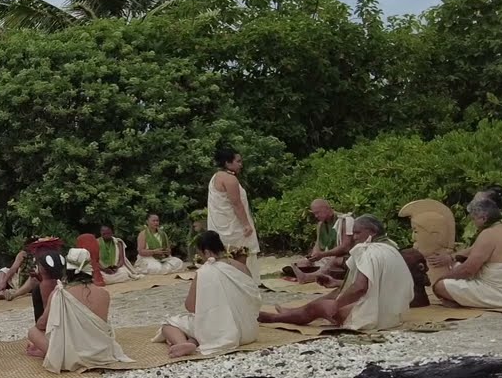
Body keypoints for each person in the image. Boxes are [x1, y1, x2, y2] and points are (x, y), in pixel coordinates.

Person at [259, 215, 414, 331]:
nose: (354, 237)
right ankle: (291, 313)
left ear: (371, 232)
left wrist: (337, 305)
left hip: (375, 317)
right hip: (393, 315)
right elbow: (378, 284)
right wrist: (338, 283)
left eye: (358, 233)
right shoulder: (391, 248)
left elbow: (360, 287)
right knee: (337, 291)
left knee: (320, 307)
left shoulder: (368, 250)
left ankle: (275, 318)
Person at [155, 231, 262, 357]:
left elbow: (190, 306)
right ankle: (192, 341)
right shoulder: (242, 267)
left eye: (201, 254)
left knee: (169, 323)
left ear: (207, 252)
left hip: (219, 333)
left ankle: (181, 342)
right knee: (202, 324)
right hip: (249, 331)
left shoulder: (204, 271)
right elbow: (255, 299)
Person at [27, 250, 133, 373]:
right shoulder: (104, 294)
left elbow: (42, 324)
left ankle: (51, 353)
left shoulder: (60, 293)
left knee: (33, 331)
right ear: (90, 268)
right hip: (102, 352)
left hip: (71, 356)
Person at [207, 147, 262, 282]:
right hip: (233, 225)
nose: (240, 164)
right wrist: (246, 225)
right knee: (240, 251)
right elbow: (236, 204)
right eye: (238, 161)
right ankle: (245, 280)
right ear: (227, 163)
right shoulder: (229, 179)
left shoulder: (216, 177)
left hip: (220, 224)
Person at [284, 200, 354, 282]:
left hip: (343, 257)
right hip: (326, 257)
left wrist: (322, 255)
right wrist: (313, 257)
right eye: (314, 213)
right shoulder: (320, 225)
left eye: (318, 213)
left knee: (332, 261)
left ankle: (308, 277)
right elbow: (317, 245)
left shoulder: (345, 221)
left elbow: (345, 247)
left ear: (327, 209)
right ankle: (310, 273)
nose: (316, 216)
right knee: (302, 263)